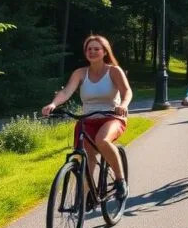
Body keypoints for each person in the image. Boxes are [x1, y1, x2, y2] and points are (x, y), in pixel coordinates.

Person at [42, 35, 131, 201]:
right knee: (86, 156)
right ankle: (87, 195)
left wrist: (124, 105)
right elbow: (66, 92)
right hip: (87, 119)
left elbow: (127, 91)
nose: (92, 52)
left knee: (102, 140)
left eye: (97, 49)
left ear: (105, 52)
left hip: (112, 116)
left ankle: (120, 181)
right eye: (89, 49)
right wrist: (53, 104)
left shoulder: (114, 71)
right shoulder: (80, 73)